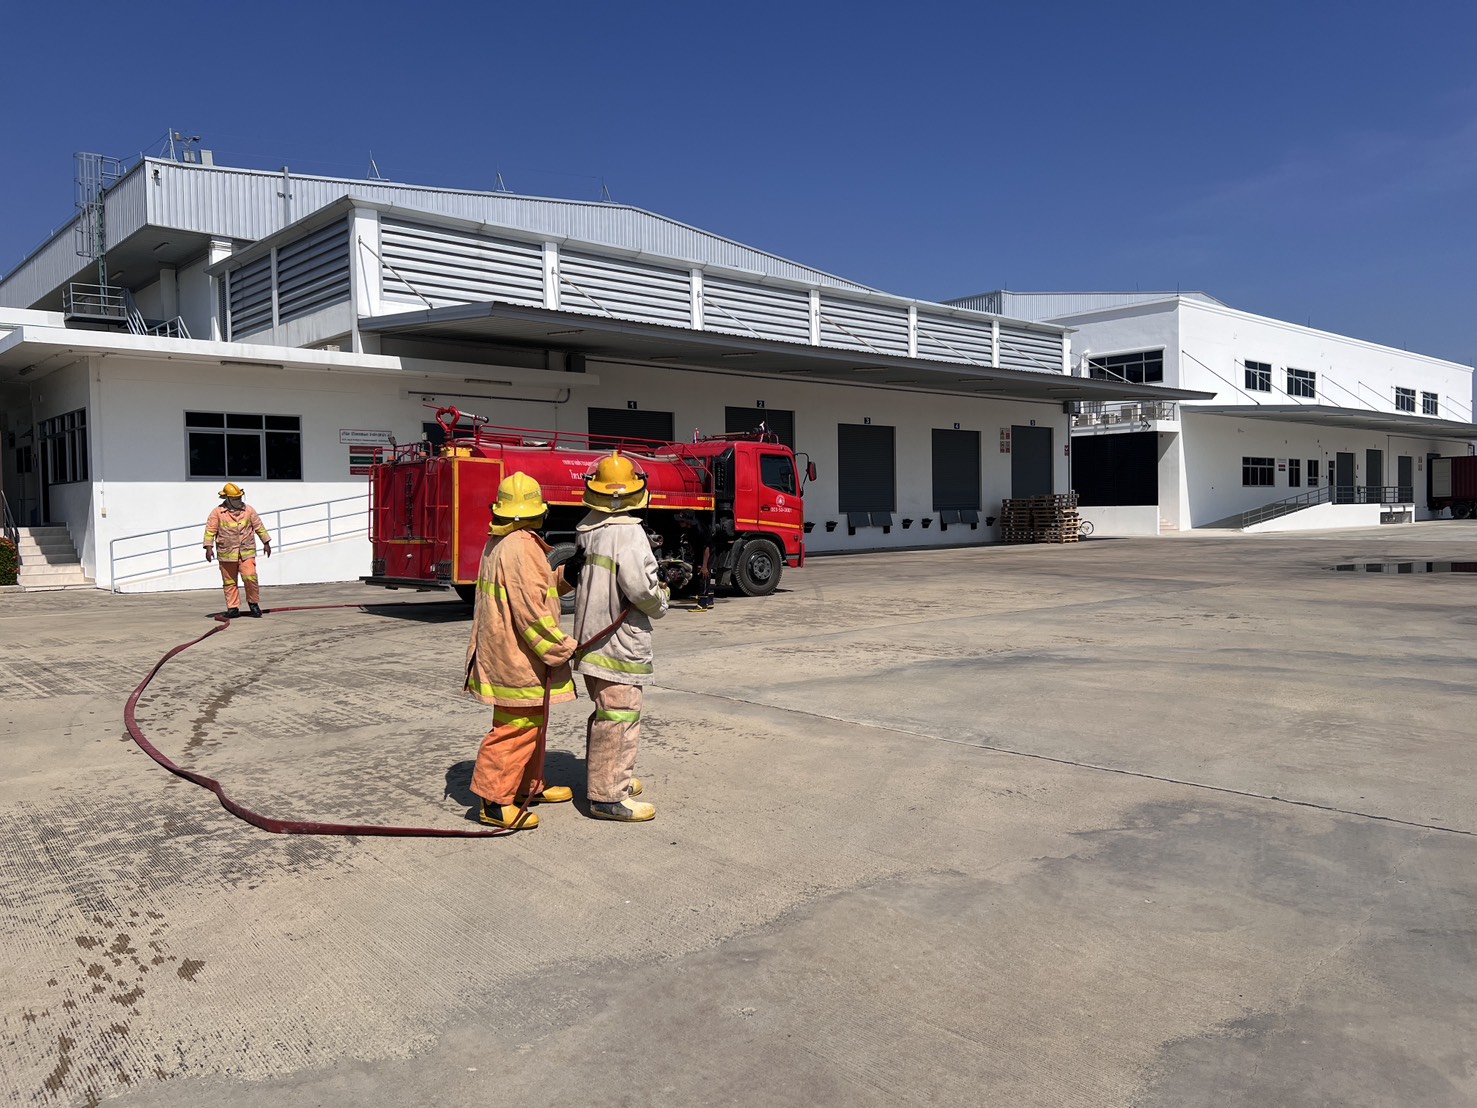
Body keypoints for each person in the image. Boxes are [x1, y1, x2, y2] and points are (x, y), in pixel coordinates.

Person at [463, 472, 579, 830]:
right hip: (517, 659)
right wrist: (563, 649)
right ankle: (495, 803)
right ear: (538, 511)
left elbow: (534, 590)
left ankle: (527, 786)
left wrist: (567, 575)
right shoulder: (522, 547)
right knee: (515, 728)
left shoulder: (501, 542)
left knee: (531, 724)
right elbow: (531, 612)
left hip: (505, 654)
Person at [572, 451, 668, 822]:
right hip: (619, 644)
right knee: (620, 717)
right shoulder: (628, 533)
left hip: (592, 641)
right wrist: (661, 601)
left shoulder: (588, 529)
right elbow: (641, 589)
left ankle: (610, 779)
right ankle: (609, 796)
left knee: (606, 714)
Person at [202, 483, 272, 618]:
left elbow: (259, 527)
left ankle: (253, 604)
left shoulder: (249, 510)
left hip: (246, 552)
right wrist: (208, 548)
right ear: (227, 499)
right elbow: (210, 531)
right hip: (227, 553)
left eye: (239, 498)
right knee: (230, 582)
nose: (238, 501)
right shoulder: (217, 513)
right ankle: (233, 608)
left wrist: (266, 542)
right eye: (235, 499)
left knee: (250, 577)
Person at [675, 510, 719, 611]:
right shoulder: (688, 529)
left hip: (708, 552)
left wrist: (704, 566)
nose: (680, 523)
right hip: (699, 551)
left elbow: (706, 548)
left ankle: (702, 604)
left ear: (688, 521)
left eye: (682, 521)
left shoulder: (700, 529)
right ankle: (709, 601)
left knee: (703, 574)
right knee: (700, 573)